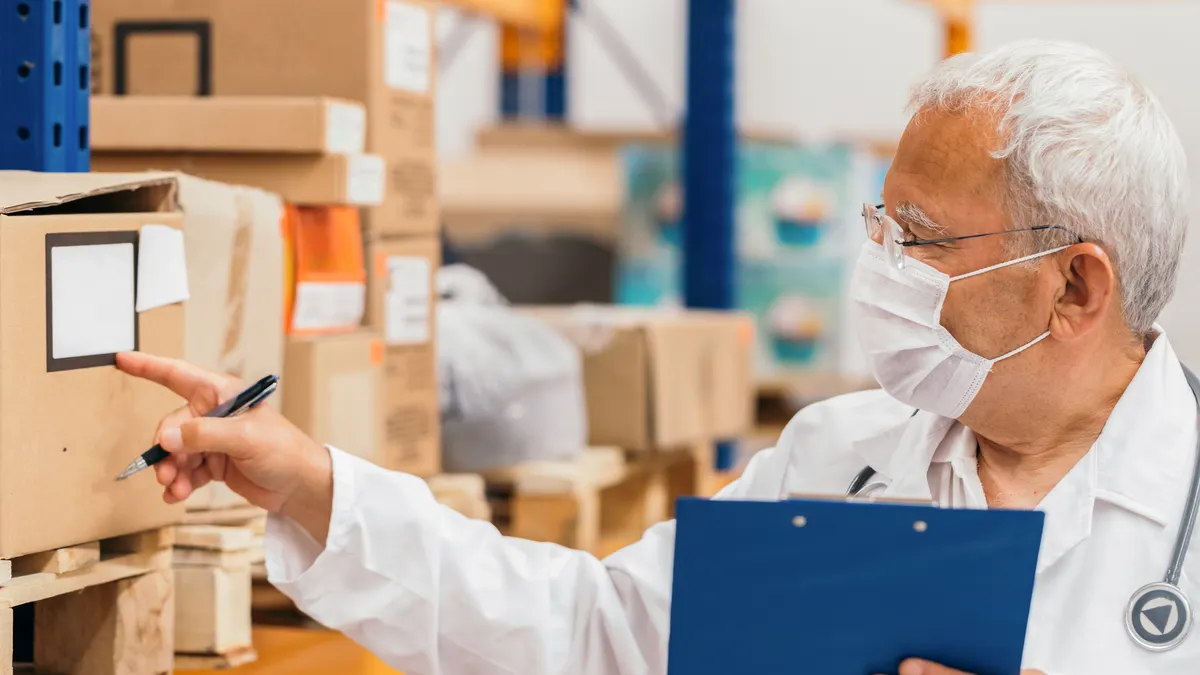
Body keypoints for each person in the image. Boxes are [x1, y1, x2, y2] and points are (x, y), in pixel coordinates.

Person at [117, 39, 1195, 675]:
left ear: (1076, 288)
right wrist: (315, 485)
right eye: (880, 226)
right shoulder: (834, 459)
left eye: (920, 239)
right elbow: (597, 635)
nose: (881, 268)